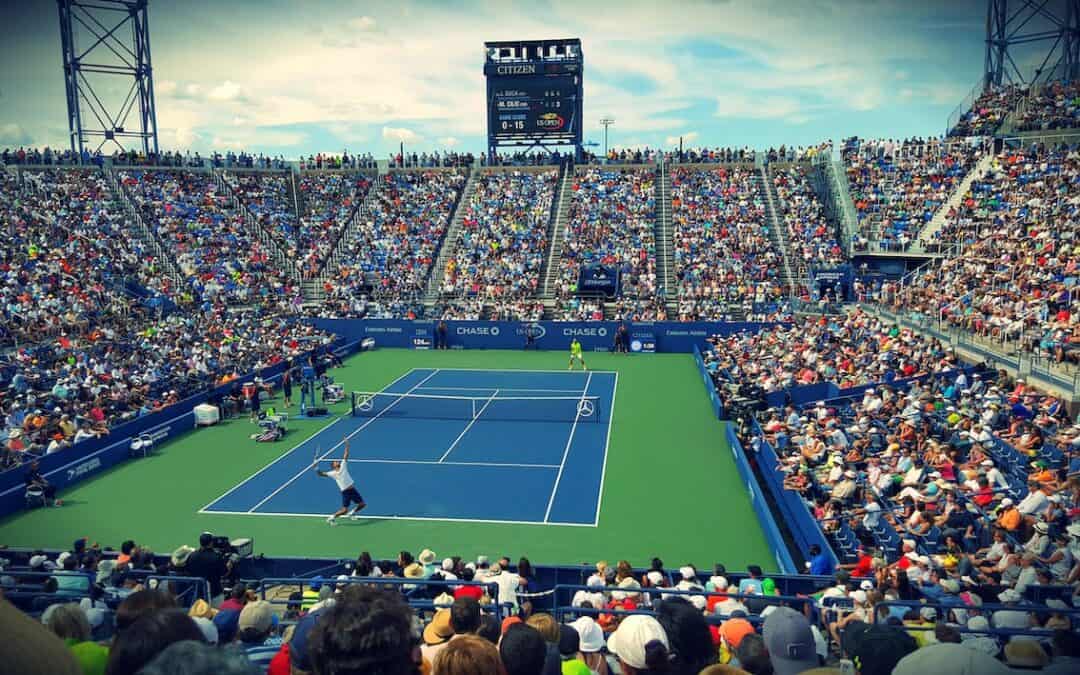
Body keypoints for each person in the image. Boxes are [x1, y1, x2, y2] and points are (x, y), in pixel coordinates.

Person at [315, 437, 366, 525]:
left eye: (337, 461)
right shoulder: (332, 473)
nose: (337, 461)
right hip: (346, 492)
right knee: (344, 510)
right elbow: (320, 474)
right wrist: (316, 467)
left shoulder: (343, 465)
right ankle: (331, 518)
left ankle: (352, 513)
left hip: (352, 490)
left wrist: (347, 445)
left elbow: (346, 454)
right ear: (333, 466)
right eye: (335, 462)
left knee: (362, 504)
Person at [185, 534, 230, 603]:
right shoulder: (216, 557)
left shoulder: (192, 556)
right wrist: (231, 563)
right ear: (211, 543)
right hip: (215, 594)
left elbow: (188, 571)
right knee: (217, 613)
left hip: (197, 594)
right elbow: (224, 573)